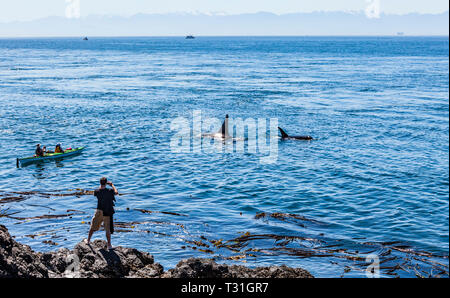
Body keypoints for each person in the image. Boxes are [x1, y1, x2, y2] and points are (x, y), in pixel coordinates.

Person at [87, 177, 118, 250]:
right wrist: (112, 185)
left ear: (100, 183)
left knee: (93, 226)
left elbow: (97, 192)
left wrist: (102, 185)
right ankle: (109, 245)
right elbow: (116, 192)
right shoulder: (110, 190)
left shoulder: (97, 191)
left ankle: (88, 241)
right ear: (106, 183)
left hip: (99, 211)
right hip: (107, 211)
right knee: (108, 229)